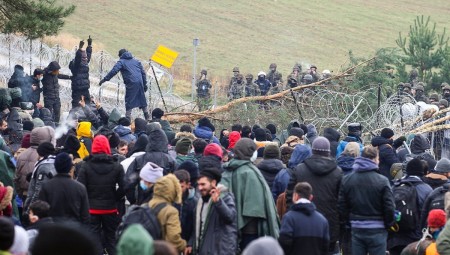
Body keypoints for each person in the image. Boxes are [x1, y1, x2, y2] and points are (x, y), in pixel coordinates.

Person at [286, 136, 342, 254]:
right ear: (328, 152)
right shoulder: (338, 172)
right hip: (330, 226)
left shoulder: (299, 170)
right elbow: (342, 202)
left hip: (301, 226)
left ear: (312, 150)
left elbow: (290, 198)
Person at [221, 138, 279, 249]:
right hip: (250, 230)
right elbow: (257, 205)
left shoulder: (228, 169)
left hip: (230, 227)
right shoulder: (250, 172)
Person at [338, 146, 396, 255]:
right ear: (374, 159)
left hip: (356, 227)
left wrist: (347, 223)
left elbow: (342, 205)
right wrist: (388, 224)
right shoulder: (382, 181)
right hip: (378, 228)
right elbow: (389, 206)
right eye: (378, 159)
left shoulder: (348, 180)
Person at [77, 135, 125, 255]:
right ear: (107, 147)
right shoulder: (117, 166)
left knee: (94, 238)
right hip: (110, 208)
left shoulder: (86, 166)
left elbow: (80, 187)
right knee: (111, 238)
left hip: (91, 209)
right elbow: (124, 187)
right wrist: (115, 197)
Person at [186, 166, 237, 255]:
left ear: (213, 183)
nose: (200, 188)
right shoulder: (200, 201)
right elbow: (196, 227)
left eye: (203, 184)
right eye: (198, 184)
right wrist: (190, 243)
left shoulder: (225, 197)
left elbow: (230, 217)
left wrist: (218, 202)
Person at [389, 158, 432, 254]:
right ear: (422, 172)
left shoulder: (395, 186)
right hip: (415, 240)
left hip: (395, 237)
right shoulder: (426, 189)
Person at [125, 127, 176, 205]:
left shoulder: (139, 159)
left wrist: (133, 201)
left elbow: (128, 182)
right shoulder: (170, 161)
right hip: (164, 204)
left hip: (142, 202)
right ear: (165, 142)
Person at [38, 152, 89, 225]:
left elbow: (41, 212)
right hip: (74, 230)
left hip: (53, 229)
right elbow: (85, 216)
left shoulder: (46, 186)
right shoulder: (80, 187)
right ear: (70, 167)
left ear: (55, 166)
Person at [279, 182, 329, 255]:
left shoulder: (289, 218)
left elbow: (284, 242)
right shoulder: (322, 220)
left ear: (295, 196)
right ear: (311, 197)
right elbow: (325, 246)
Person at [100, 49, 149, 120]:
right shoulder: (136, 61)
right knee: (142, 99)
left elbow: (114, 71)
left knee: (129, 100)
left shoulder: (121, 62)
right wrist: (144, 84)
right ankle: (147, 117)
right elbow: (143, 73)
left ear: (120, 55)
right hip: (139, 82)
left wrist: (105, 79)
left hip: (131, 82)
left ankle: (128, 119)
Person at [148, 174, 186, 253]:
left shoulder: (146, 206)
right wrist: (183, 245)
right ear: (172, 190)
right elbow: (173, 239)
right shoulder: (171, 211)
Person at [23, 142, 56, 216]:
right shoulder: (55, 162)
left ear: (41, 153)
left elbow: (38, 190)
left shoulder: (43, 166)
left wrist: (29, 210)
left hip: (41, 208)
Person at [69, 37, 93, 108]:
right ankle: (73, 118)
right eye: (84, 58)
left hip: (85, 88)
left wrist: (89, 46)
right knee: (76, 107)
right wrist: (80, 48)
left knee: (88, 106)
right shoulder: (76, 65)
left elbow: (88, 56)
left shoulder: (85, 63)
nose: (86, 59)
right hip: (77, 89)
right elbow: (78, 58)